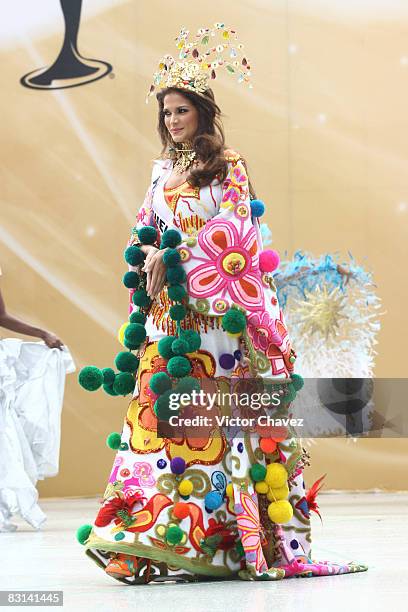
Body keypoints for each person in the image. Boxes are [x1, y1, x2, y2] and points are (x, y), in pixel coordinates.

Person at [79, 24, 367, 583]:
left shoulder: (227, 166)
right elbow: (143, 230)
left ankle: (226, 544)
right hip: (172, 322)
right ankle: (143, 539)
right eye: (165, 112)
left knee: (216, 431)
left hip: (219, 326)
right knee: (156, 423)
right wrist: (147, 258)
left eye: (180, 110)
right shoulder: (161, 171)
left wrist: (178, 255)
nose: (171, 120)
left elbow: (237, 236)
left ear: (203, 113)